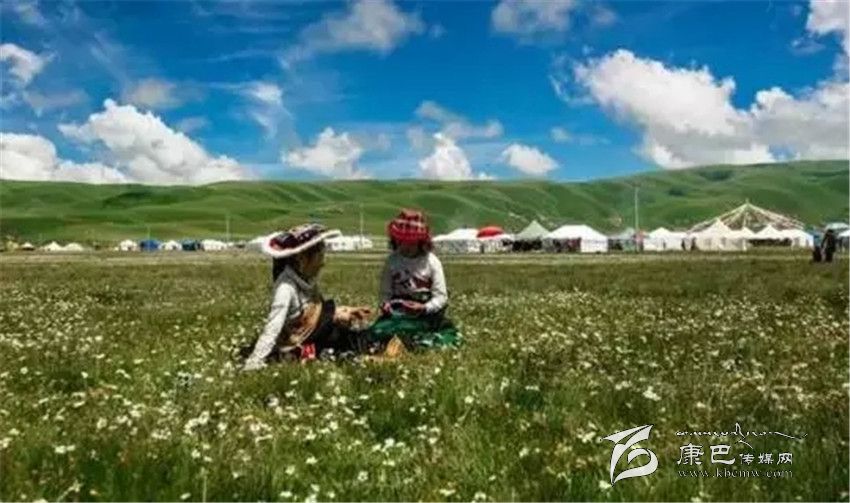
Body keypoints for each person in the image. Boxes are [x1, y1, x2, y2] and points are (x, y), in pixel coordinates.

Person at [242, 223, 373, 370]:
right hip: (299, 347)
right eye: (319, 257)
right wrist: (254, 363)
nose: (323, 263)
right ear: (302, 259)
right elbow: (273, 328)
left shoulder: (306, 279)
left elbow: (319, 312)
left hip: (318, 337)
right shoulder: (285, 289)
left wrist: (347, 310)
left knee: (363, 338)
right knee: (355, 346)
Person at [368, 209, 460, 352]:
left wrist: (424, 307)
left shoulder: (432, 262)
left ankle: (408, 343)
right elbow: (385, 292)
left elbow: (441, 297)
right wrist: (385, 304)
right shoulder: (392, 261)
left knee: (437, 335)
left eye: (411, 242)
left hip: (424, 315)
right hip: (397, 315)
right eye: (401, 242)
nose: (405, 246)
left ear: (421, 242)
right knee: (377, 332)